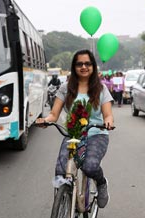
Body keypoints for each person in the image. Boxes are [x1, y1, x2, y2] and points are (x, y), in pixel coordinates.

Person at [36, 49, 114, 208]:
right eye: (79, 64)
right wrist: (46, 120)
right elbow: (54, 114)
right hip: (73, 135)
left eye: (87, 63)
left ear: (93, 66)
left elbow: (108, 114)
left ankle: (101, 183)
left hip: (97, 134)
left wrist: (108, 122)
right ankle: (65, 202)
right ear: (74, 67)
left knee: (90, 166)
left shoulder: (101, 89)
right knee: (60, 169)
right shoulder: (65, 88)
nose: (84, 67)